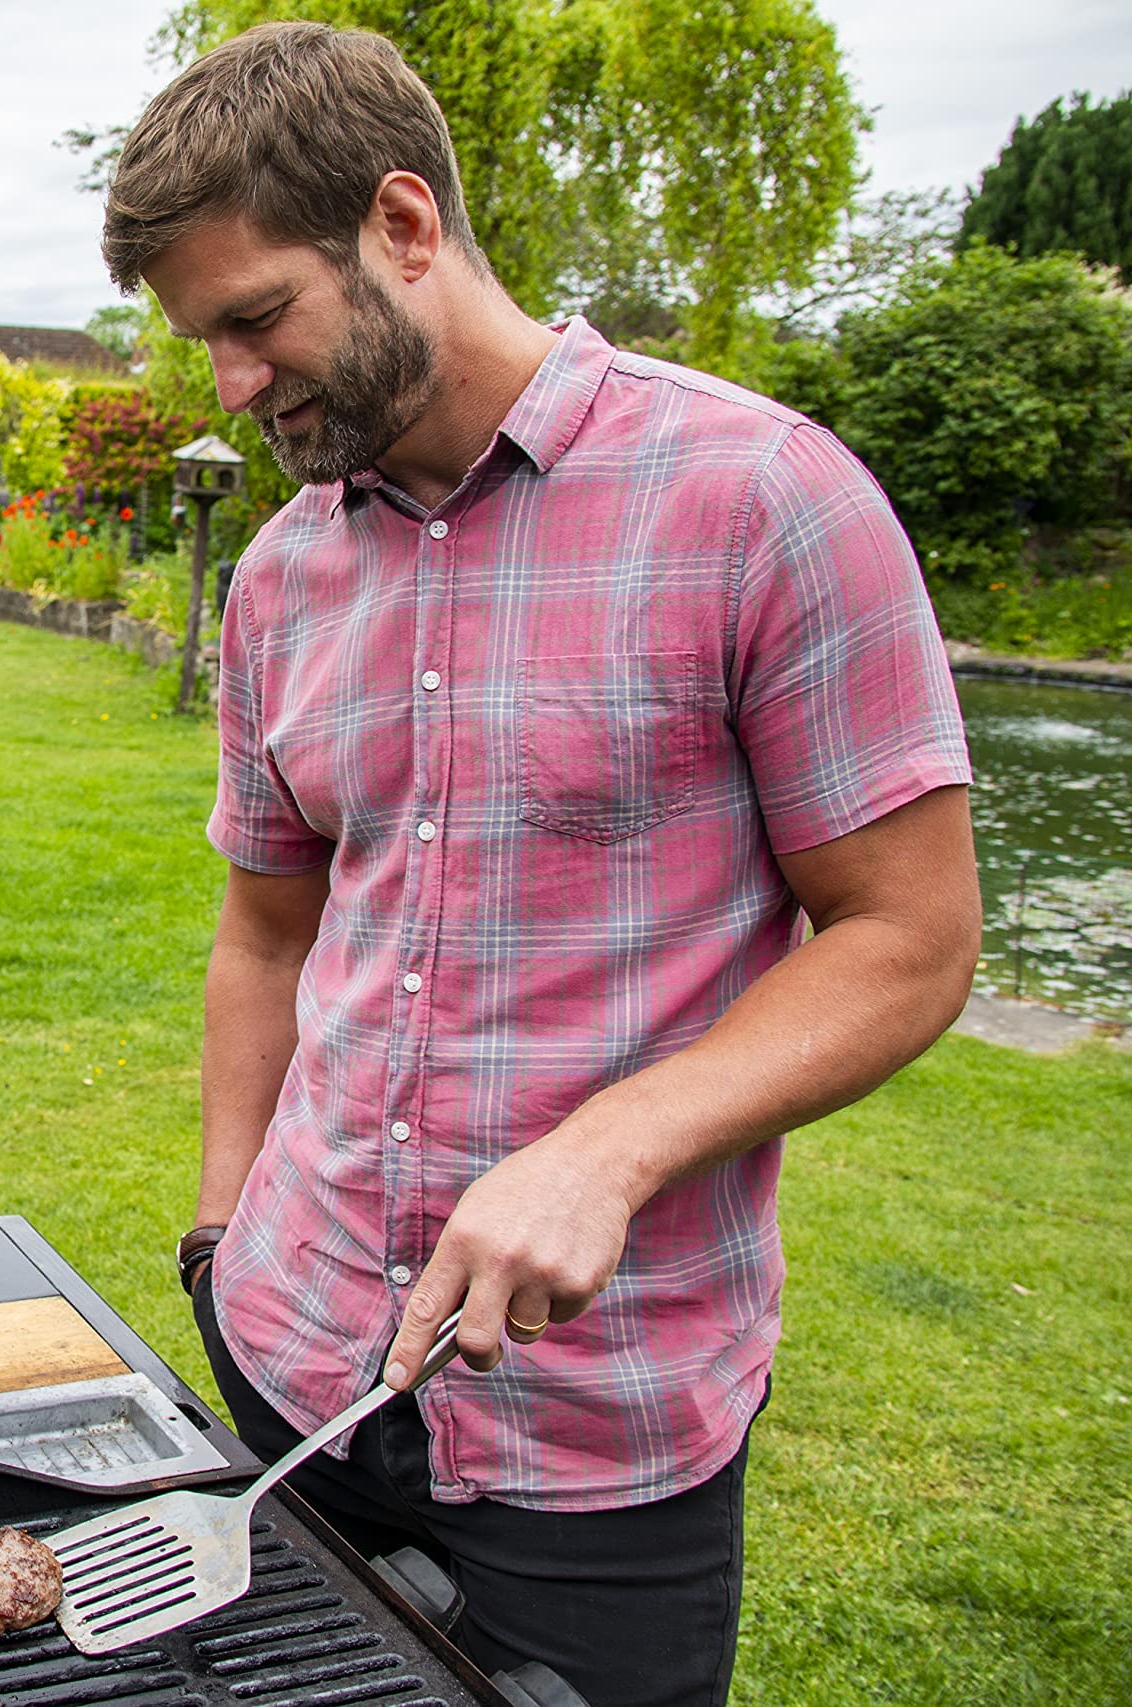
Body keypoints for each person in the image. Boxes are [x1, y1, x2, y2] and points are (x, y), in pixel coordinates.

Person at [103, 22, 980, 1706]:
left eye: (254, 318)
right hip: (294, 1357)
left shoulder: (766, 501)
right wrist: (222, 1235)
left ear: (405, 227)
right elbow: (267, 936)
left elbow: (912, 939)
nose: (229, 382)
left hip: (596, 1430)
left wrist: (614, 1146)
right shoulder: (283, 575)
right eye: (200, 337)